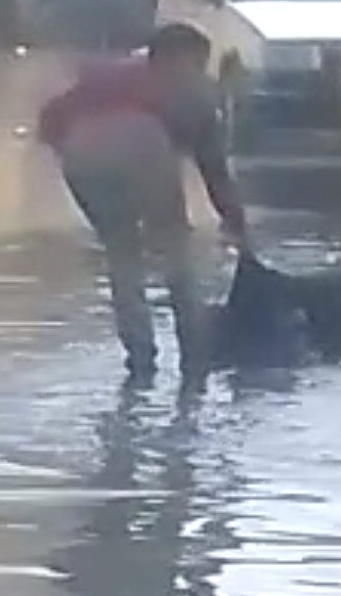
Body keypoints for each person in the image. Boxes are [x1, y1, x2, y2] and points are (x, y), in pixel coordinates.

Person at [37, 23, 249, 391]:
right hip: (140, 139)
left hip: (79, 152)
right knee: (174, 249)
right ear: (188, 58)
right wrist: (237, 224)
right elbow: (214, 171)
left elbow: (50, 125)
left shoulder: (110, 78)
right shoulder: (189, 88)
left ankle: (140, 361)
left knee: (122, 255)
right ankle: (194, 359)